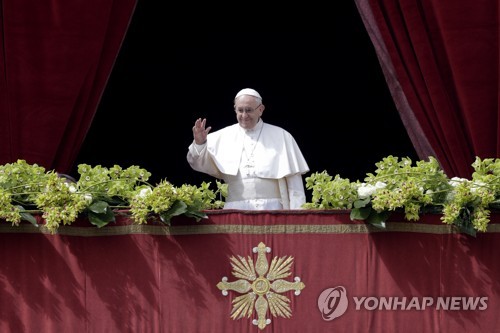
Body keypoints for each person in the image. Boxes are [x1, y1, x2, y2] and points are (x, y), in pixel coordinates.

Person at [187, 88, 310, 210]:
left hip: (273, 210)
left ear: (260, 110)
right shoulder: (222, 136)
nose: (244, 115)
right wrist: (200, 143)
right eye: (240, 110)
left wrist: (298, 215)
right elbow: (197, 163)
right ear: (235, 109)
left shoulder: (282, 136)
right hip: (234, 211)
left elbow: (295, 186)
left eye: (249, 110)